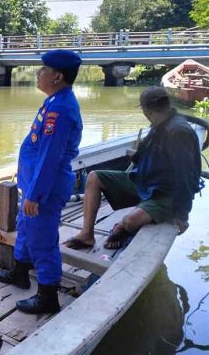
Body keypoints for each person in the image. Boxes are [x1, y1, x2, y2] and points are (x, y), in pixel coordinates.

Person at [0, 49, 83, 315]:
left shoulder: (61, 109)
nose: (38, 73)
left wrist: (35, 194)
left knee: (42, 240)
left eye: (43, 69)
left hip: (45, 187)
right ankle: (20, 273)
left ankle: (47, 297)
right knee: (25, 227)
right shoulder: (54, 101)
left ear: (57, 75)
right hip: (34, 184)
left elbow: (50, 157)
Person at [63, 87, 203, 250]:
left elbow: (185, 176)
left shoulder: (178, 131)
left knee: (130, 221)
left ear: (146, 110)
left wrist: (182, 214)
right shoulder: (159, 123)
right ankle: (87, 234)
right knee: (94, 177)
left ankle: (122, 229)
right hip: (143, 181)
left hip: (165, 194)